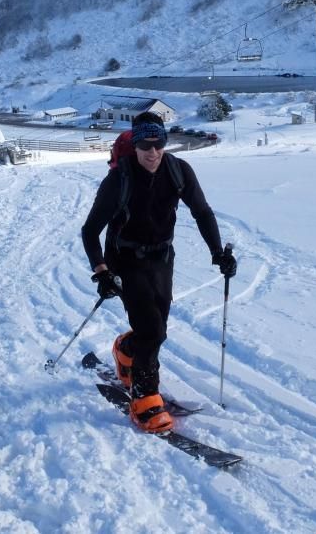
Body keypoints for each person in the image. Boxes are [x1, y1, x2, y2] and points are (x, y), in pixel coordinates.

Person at [81, 112, 237, 433]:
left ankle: (126, 351)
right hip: (124, 257)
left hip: (162, 256)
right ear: (135, 146)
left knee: (157, 326)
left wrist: (218, 253)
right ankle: (144, 400)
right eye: (145, 145)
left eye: (159, 144)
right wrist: (102, 272)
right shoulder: (119, 179)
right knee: (151, 329)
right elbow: (90, 230)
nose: (152, 152)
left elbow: (202, 212)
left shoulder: (178, 171)